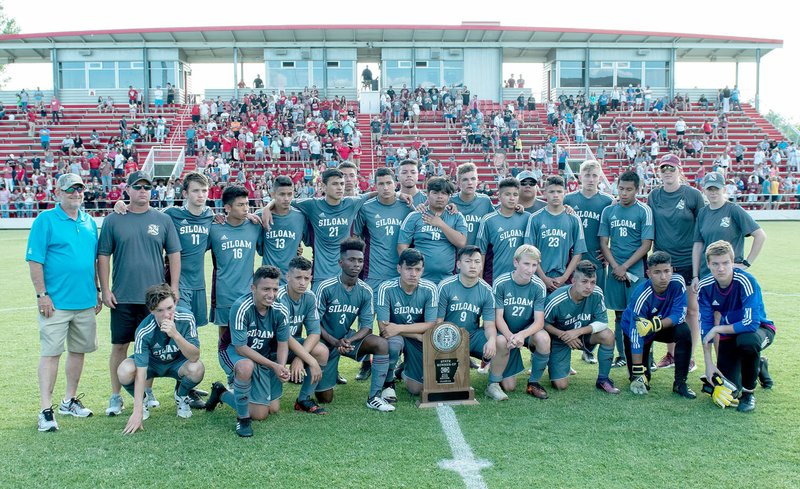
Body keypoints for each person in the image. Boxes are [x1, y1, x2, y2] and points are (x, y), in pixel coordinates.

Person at [98, 171, 181, 417]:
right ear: (128, 190)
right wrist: (105, 289)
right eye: (138, 187)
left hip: (154, 300)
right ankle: (115, 396)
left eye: (147, 187)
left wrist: (173, 287)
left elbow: (174, 254)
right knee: (119, 347)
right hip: (122, 297)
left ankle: (146, 391)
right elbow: (103, 256)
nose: (143, 191)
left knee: (150, 347)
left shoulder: (163, 220)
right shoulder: (114, 220)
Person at [27, 173, 101, 432]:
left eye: (80, 189)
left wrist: (98, 291)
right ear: (58, 192)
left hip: (84, 301)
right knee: (51, 354)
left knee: (78, 351)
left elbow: (91, 262)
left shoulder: (90, 222)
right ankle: (45, 409)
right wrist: (41, 295)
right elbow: (35, 260)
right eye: (70, 189)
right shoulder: (45, 220)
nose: (76, 193)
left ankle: (69, 401)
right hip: (55, 303)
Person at [205, 266, 290, 436]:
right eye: (266, 289)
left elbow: (282, 343)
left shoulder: (281, 309)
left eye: (275, 289)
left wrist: (280, 367)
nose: (271, 294)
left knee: (273, 408)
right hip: (234, 352)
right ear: (253, 288)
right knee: (257, 411)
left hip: (261, 355)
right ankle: (241, 418)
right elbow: (240, 347)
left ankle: (223, 392)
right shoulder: (241, 307)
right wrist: (273, 365)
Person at [314, 238, 395, 412]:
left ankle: (374, 397)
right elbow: (313, 323)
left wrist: (349, 340)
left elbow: (366, 327)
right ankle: (326, 372)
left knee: (381, 343)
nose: (356, 264)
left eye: (360, 260)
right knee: (325, 398)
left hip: (346, 339)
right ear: (340, 262)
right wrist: (335, 342)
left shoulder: (365, 290)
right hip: (324, 342)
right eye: (351, 260)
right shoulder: (325, 287)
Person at [698, 241, 775, 412]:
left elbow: (751, 323)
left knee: (747, 342)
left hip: (760, 330)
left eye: (725, 263)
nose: (721, 268)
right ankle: (758, 365)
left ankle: (748, 394)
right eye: (715, 264)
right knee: (730, 388)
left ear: (732, 262)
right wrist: (709, 364)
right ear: (708, 264)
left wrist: (718, 329)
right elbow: (706, 327)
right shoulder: (705, 286)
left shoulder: (746, 281)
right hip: (731, 335)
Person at [351, 168, 413, 381]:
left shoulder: (406, 207)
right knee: (368, 321)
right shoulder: (366, 208)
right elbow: (357, 237)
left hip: (399, 276)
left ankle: (402, 364)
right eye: (381, 184)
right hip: (373, 276)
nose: (385, 188)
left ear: (395, 183)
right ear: (374, 186)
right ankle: (365, 363)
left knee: (400, 320)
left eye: (389, 183)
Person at [119, 284, 205, 434]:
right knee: (124, 370)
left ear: (175, 303)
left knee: (197, 368)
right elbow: (141, 373)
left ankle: (181, 395)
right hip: (152, 365)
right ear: (151, 310)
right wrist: (137, 410)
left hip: (177, 365)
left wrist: (176, 335)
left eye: (170, 308)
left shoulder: (186, 317)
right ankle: (143, 400)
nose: (167, 314)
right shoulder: (144, 330)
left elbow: (194, 356)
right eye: (160, 310)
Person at [647, 155, 705, 371]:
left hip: (688, 261)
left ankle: (688, 356)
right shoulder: (654, 196)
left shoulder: (693, 195)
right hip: (663, 263)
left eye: (671, 168)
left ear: (679, 170)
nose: (668, 171)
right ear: (659, 172)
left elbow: (705, 223)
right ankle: (670, 355)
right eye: (663, 168)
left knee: (691, 310)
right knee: (666, 310)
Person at [436, 246, 510, 401]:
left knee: (501, 341)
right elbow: (438, 323)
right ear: (458, 264)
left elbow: (489, 324)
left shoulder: (486, 290)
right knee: (450, 385)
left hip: (472, 335)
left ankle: (493, 385)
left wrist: (491, 340)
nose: (473, 265)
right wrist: (447, 344)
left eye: (477, 261)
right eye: (468, 261)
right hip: (448, 337)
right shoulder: (445, 286)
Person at [620, 252, 695, 398]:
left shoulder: (678, 283)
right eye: (657, 272)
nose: (663, 277)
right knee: (642, 379)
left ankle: (680, 383)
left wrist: (654, 325)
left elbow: (679, 315)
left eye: (667, 271)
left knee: (684, 331)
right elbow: (636, 333)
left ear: (672, 270)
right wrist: (637, 373)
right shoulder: (641, 295)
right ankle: (639, 373)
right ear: (648, 273)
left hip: (658, 326)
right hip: (635, 331)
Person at [599, 171, 654, 368]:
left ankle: (648, 357)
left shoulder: (644, 210)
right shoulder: (609, 211)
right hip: (614, 271)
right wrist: (615, 266)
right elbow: (604, 242)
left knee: (640, 314)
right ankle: (622, 355)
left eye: (629, 189)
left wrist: (625, 266)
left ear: (637, 190)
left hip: (635, 272)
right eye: (621, 189)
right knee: (620, 314)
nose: (624, 193)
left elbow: (646, 244)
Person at [564, 160, 614, 364]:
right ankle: (562, 346)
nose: (591, 179)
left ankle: (589, 348)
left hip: (596, 259)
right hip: (573, 260)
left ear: (600, 177)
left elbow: (613, 229)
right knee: (570, 302)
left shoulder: (607, 201)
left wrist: (608, 252)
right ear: (580, 177)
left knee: (593, 302)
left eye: (595, 175)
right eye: (587, 175)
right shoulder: (568, 199)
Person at [544, 260, 619, 394]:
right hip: (559, 339)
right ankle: (553, 361)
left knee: (607, 335)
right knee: (560, 385)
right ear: (573, 281)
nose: (589, 287)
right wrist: (564, 335)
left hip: (582, 336)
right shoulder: (556, 299)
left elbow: (603, 322)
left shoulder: (597, 293)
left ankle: (603, 380)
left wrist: (577, 332)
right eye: (584, 282)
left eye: (592, 282)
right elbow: (543, 323)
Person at [376, 248, 438, 397]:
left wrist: (399, 328)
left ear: (423, 270)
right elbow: (384, 327)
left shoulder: (430, 289)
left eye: (417, 269)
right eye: (408, 269)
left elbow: (430, 324)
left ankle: (403, 370)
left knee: (416, 389)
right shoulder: (386, 288)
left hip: (416, 339)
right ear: (399, 268)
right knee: (394, 344)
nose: (413, 274)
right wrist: (414, 334)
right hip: (397, 337)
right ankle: (388, 383)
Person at [493, 245, 550, 398]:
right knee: (509, 387)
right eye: (526, 264)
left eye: (534, 265)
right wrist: (511, 336)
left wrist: (521, 335)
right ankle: (495, 363)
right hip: (505, 333)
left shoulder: (538, 286)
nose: (530, 270)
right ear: (516, 262)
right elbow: (498, 317)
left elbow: (539, 322)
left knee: (543, 338)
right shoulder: (501, 282)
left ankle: (533, 383)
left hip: (526, 333)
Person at [692, 171, 766, 288]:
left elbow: (760, 235)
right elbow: (698, 245)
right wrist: (695, 275)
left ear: (724, 189)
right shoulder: (702, 213)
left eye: (717, 188)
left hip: (730, 275)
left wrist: (746, 263)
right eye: (710, 189)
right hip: (707, 274)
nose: (713, 192)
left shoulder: (734, 210)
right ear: (704, 190)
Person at [209, 185, 264, 345]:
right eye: (241, 205)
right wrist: (212, 216)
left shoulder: (255, 226)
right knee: (225, 338)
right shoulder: (214, 228)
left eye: (247, 204)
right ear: (227, 207)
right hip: (223, 293)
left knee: (251, 337)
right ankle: (229, 368)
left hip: (249, 293)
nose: (246, 208)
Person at [275, 257, 328, 415]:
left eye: (306, 278)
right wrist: (308, 359)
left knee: (322, 351)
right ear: (288, 277)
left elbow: (315, 332)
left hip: (292, 346)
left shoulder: (310, 297)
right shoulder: (279, 297)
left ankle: (303, 399)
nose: (302, 283)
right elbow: (283, 335)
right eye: (298, 278)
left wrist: (300, 358)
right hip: (273, 346)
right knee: (270, 409)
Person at [398, 177, 468, 283]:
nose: (440, 197)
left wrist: (441, 224)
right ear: (427, 194)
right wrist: (412, 271)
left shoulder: (456, 216)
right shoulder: (415, 216)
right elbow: (402, 246)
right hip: (419, 280)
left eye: (444, 193)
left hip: (447, 280)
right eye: (435, 193)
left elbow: (462, 242)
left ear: (449, 196)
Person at [525, 175, 587, 292]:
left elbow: (578, 252)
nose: (555, 195)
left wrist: (564, 277)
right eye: (551, 191)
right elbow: (529, 251)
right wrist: (543, 278)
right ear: (544, 193)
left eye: (559, 191)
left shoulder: (573, 218)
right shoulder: (535, 218)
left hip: (564, 279)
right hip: (538, 278)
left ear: (565, 192)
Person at [476, 177, 529, 282]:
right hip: (495, 277)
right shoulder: (488, 220)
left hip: (522, 278)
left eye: (515, 194)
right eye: (507, 194)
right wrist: (479, 280)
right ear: (499, 196)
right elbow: (481, 252)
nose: (512, 198)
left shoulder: (527, 217)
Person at [260, 176, 308, 282]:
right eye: (282, 194)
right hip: (268, 280)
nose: (286, 199)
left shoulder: (301, 217)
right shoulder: (261, 216)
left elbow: (307, 241)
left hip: (291, 281)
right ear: (273, 194)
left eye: (289, 194)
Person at [451, 163, 495, 245]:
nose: (470, 182)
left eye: (473, 179)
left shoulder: (485, 201)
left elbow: (497, 220)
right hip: (455, 255)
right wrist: (421, 207)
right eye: (465, 180)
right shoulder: (450, 201)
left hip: (478, 254)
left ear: (477, 181)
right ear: (458, 183)